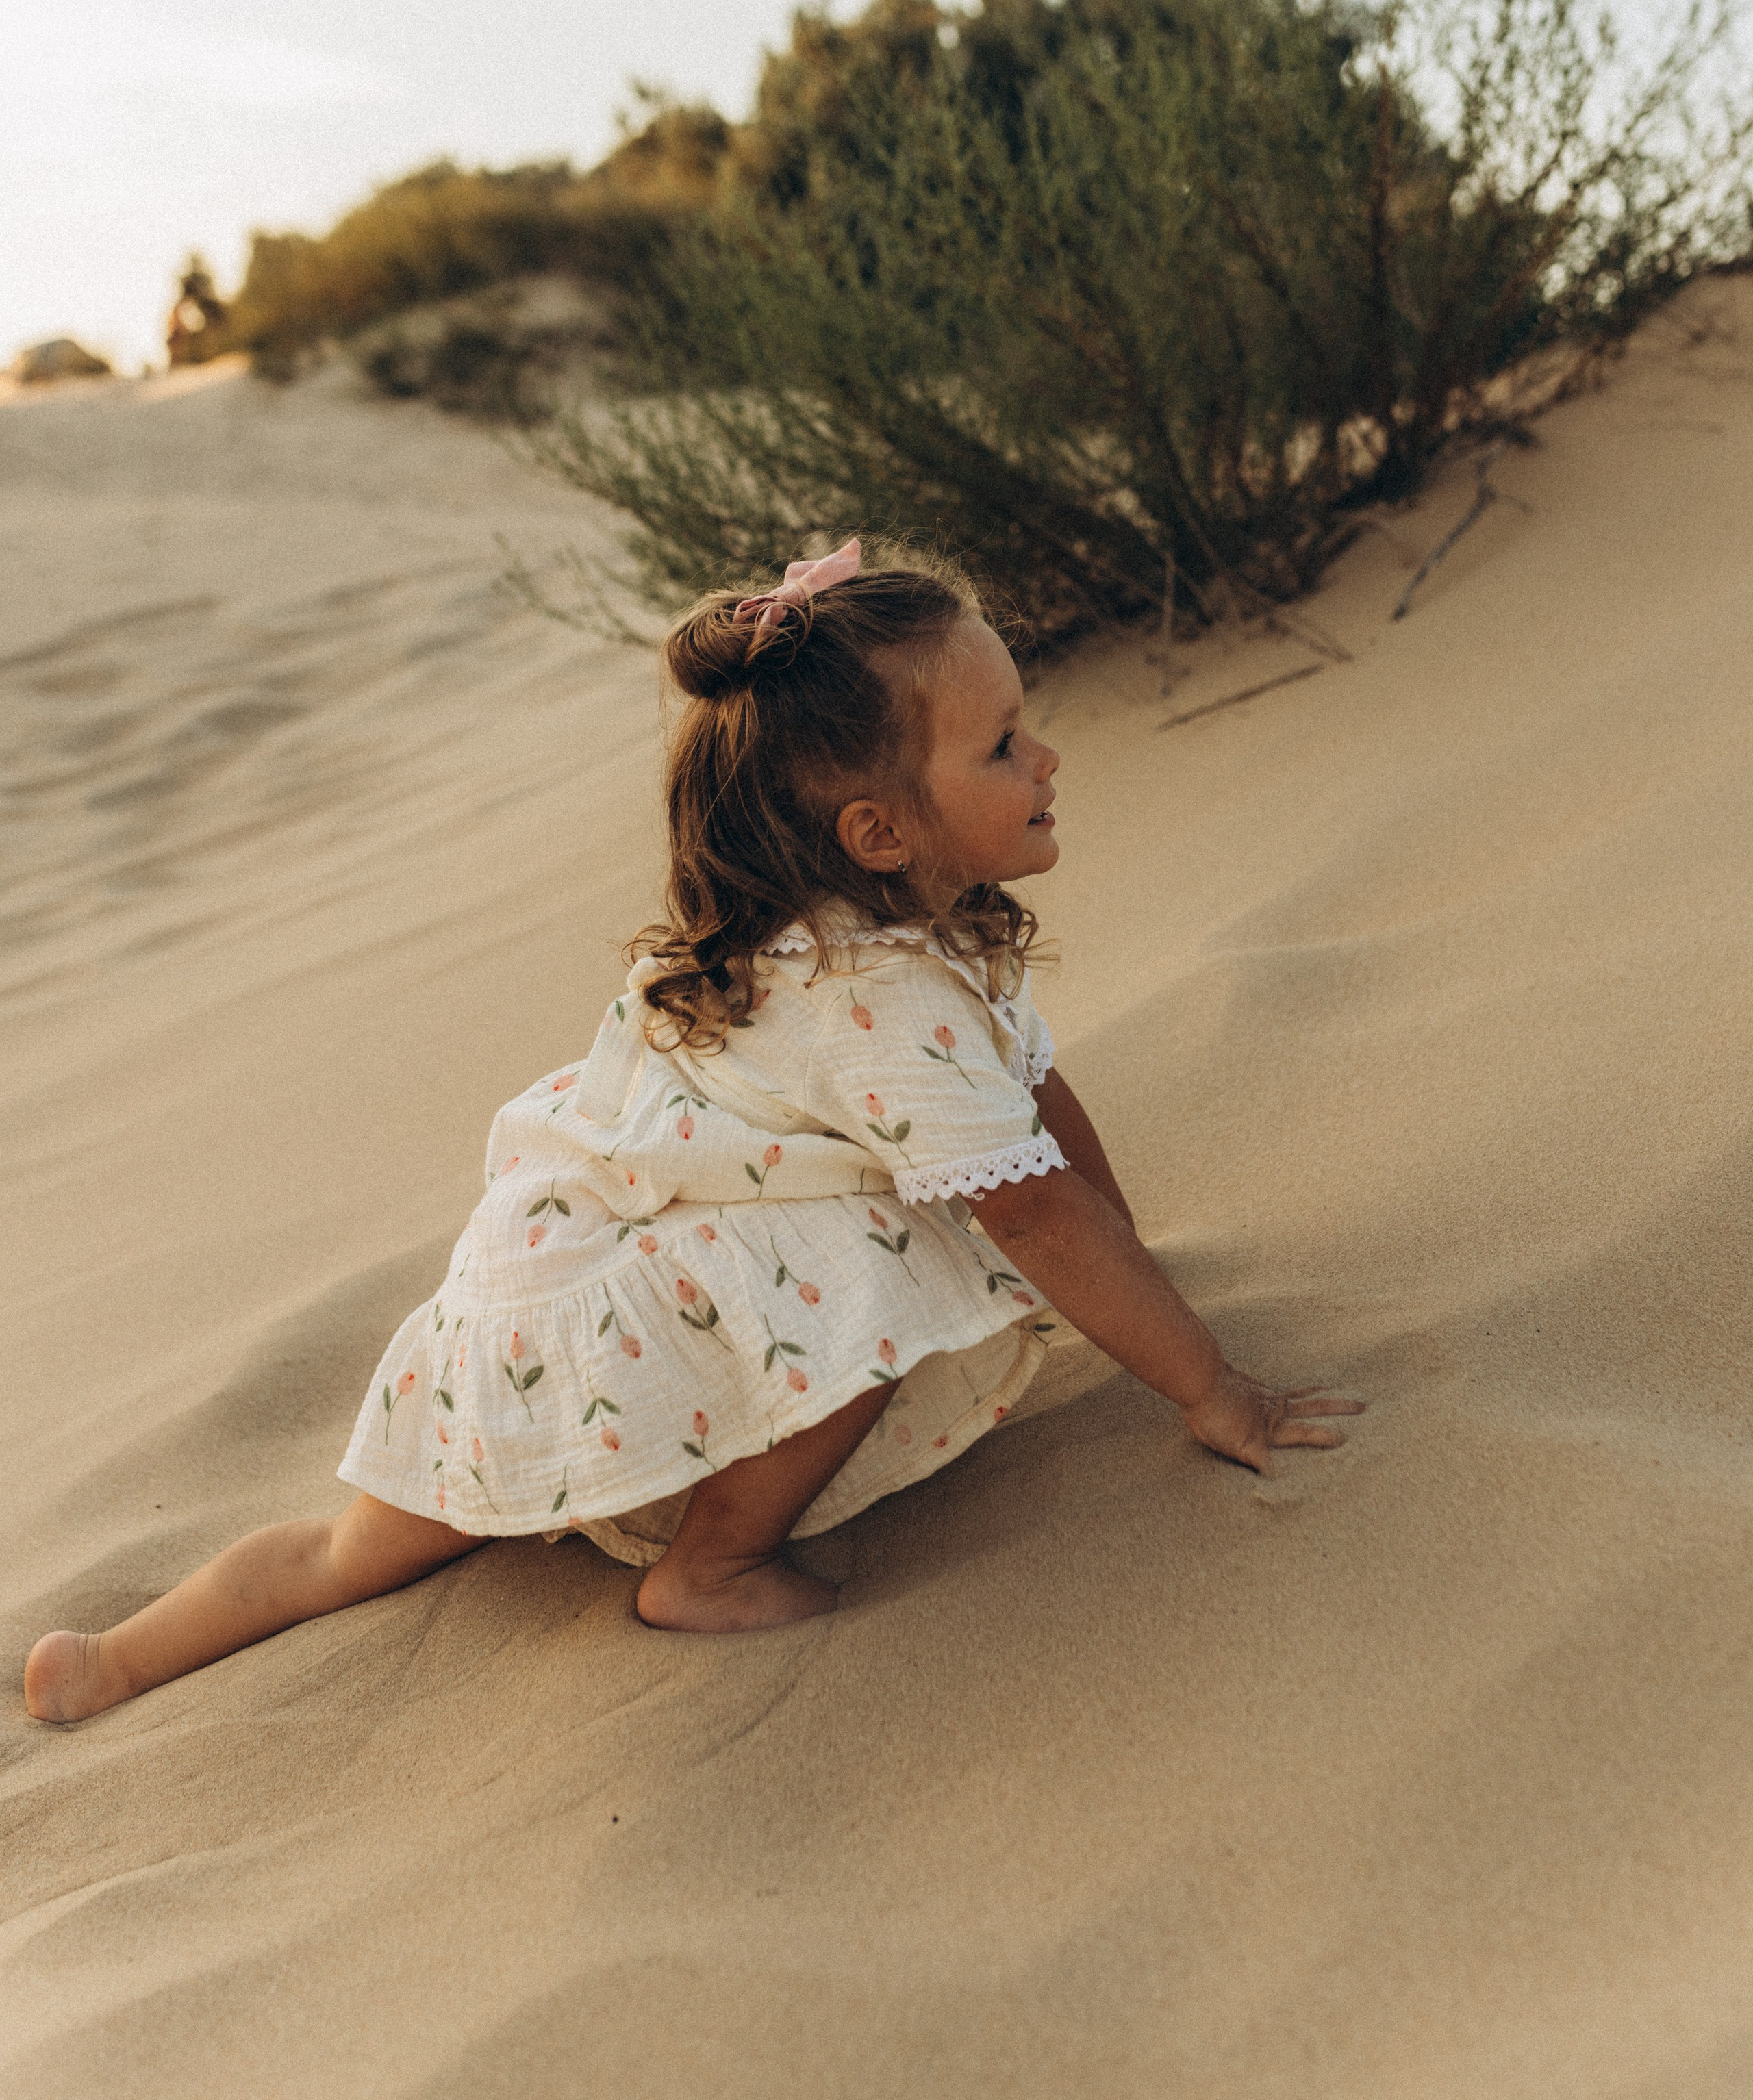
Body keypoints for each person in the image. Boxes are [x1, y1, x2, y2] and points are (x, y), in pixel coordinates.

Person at [25, 537, 1361, 1719]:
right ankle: (712, 1565)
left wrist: (1129, 1261)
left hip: (551, 1282)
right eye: (1003, 742)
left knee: (347, 1552)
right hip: (621, 1317)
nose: (1046, 757)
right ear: (877, 829)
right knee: (879, 1262)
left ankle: (114, 1663)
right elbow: (1027, 1204)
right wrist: (1208, 1387)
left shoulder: (862, 939)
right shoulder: (879, 997)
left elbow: (1033, 1116)